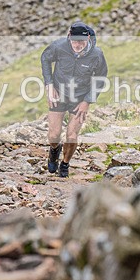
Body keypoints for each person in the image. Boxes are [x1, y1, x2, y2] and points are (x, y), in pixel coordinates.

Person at [41, 21, 108, 178]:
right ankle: (54, 150)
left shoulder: (97, 54)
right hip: (59, 94)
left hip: (80, 98)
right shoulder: (59, 46)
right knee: (54, 135)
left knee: (71, 136)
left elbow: (100, 78)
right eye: (75, 41)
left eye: (82, 42)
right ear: (69, 37)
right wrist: (49, 85)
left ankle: (65, 163)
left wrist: (87, 101)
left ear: (88, 39)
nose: (78, 45)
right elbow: (45, 58)